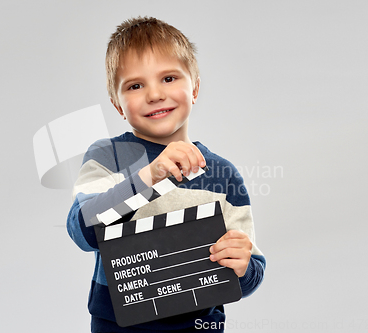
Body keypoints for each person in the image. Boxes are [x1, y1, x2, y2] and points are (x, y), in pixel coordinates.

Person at [67, 16, 266, 332]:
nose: (155, 94)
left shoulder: (223, 174)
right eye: (135, 85)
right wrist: (149, 177)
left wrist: (243, 267)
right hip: (119, 325)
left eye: (169, 78)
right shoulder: (108, 157)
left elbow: (248, 273)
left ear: (195, 87)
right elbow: (84, 231)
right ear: (118, 104)